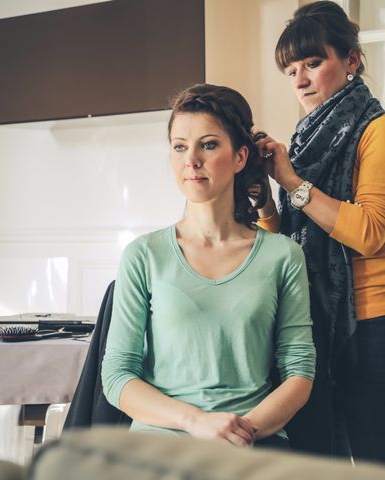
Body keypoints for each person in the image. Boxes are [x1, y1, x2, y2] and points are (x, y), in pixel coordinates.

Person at [255, 1, 385, 469]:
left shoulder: (383, 131)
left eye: (313, 62)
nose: (301, 80)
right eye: (291, 71)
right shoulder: (307, 141)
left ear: (351, 60)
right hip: (315, 328)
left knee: (379, 471)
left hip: (376, 331)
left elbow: (369, 232)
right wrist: (268, 201)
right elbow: (288, 245)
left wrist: (291, 182)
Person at [101, 84, 316, 450]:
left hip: (253, 441)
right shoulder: (143, 255)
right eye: (180, 146)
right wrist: (197, 422)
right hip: (160, 446)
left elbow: (299, 372)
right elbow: (117, 376)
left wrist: (237, 431)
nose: (191, 160)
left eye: (209, 144)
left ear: (240, 157)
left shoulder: (283, 256)